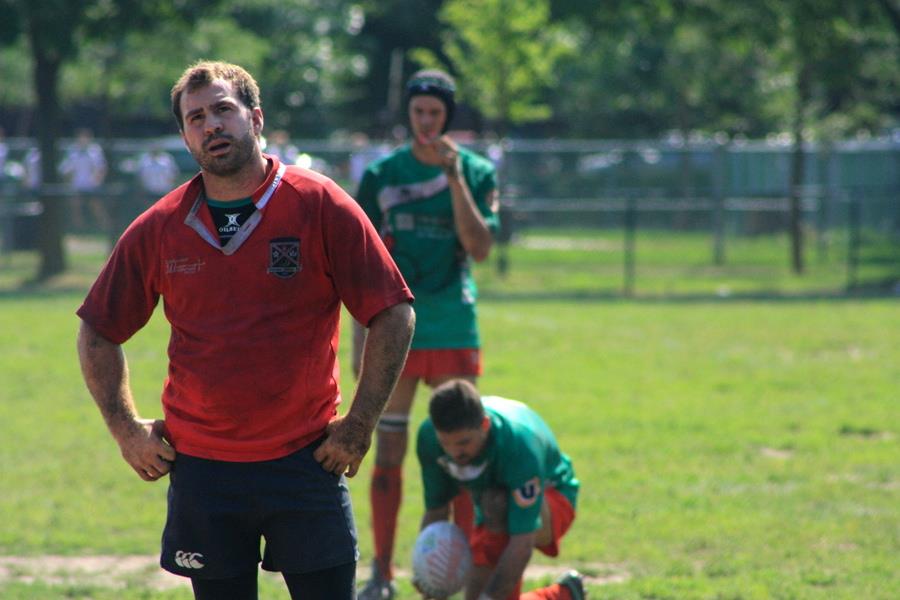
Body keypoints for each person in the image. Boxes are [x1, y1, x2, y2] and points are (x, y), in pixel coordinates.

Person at [75, 60, 415, 600]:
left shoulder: (319, 203)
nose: (211, 125)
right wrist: (125, 430)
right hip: (204, 472)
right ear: (185, 135)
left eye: (223, 110)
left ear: (255, 118)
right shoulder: (161, 225)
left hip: (306, 461)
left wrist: (359, 424)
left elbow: (393, 311)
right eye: (196, 118)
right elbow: (97, 332)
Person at [353, 68, 500, 600]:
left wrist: (455, 179)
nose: (426, 122)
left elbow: (480, 248)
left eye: (435, 114)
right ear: (408, 114)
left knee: (462, 453)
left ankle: (457, 569)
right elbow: (358, 263)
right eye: (418, 112)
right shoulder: (382, 175)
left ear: (448, 117)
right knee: (388, 449)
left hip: (454, 323)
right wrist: (358, 338)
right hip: (395, 324)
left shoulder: (478, 173)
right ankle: (381, 573)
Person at [416, 380, 584, 600]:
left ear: (484, 425)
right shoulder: (429, 436)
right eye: (446, 443)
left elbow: (521, 543)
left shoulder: (519, 446)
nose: (455, 452)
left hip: (554, 497)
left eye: (464, 443)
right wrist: (426, 573)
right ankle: (564, 595)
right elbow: (436, 512)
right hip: (489, 506)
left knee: (498, 505)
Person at [59, 128, 108, 232]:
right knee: (75, 206)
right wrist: (68, 182)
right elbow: (65, 169)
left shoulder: (95, 150)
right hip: (77, 185)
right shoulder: (72, 151)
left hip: (91, 185)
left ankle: (104, 227)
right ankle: (79, 229)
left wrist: (97, 181)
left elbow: (101, 168)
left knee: (96, 206)